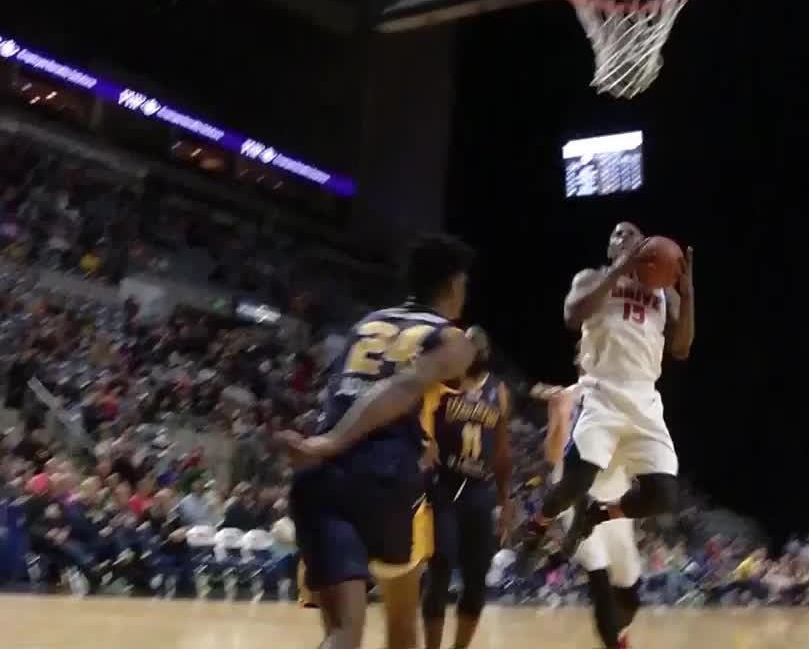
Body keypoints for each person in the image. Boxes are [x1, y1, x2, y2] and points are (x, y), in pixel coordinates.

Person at [278, 233, 477, 649]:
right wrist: (334, 440)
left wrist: (325, 444)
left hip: (318, 482)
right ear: (455, 284)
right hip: (384, 481)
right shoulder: (451, 338)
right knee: (402, 626)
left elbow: (342, 392)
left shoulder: (365, 324)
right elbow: (404, 386)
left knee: (343, 632)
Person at [519, 222, 693, 557]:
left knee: (664, 495)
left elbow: (682, 348)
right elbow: (573, 315)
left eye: (633, 235)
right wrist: (621, 269)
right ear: (611, 248)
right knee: (575, 483)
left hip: (644, 397)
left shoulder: (664, 294)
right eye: (618, 235)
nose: (625, 238)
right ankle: (538, 525)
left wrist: (687, 295)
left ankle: (598, 514)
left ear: (648, 248)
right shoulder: (592, 278)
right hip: (601, 391)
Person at [421, 326, 513, 649]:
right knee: (440, 569)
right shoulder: (443, 385)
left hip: (480, 492)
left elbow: (502, 454)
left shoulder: (499, 391)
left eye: (478, 347)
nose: (473, 352)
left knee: (476, 581)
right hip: (444, 486)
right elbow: (421, 426)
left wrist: (505, 502)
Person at [544, 381, 642, 649]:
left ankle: (617, 635)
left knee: (629, 591)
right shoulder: (568, 397)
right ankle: (615, 644)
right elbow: (554, 456)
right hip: (578, 499)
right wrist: (562, 415)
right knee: (599, 579)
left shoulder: (626, 395)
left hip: (615, 499)